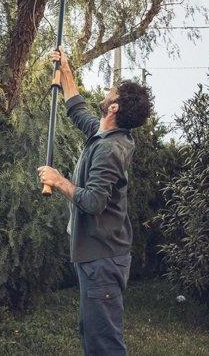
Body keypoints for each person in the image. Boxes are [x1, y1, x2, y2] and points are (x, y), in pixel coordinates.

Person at [37, 46, 153, 355]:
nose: (107, 91)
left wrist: (58, 180)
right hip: (96, 255)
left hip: (102, 259)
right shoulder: (105, 135)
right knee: (92, 333)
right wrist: (65, 68)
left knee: (104, 342)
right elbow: (77, 110)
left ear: (113, 107)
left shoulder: (108, 149)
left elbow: (93, 202)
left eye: (111, 91)